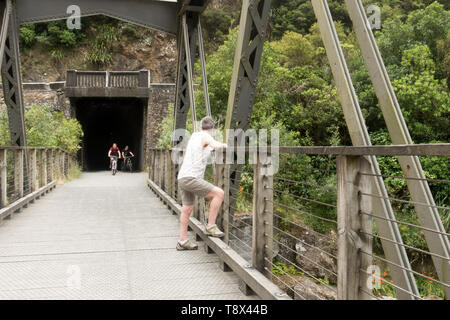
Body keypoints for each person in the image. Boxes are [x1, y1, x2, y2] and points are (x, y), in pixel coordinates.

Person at [176, 116, 227, 251]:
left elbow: (206, 147)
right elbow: (214, 144)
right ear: (213, 129)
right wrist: (224, 145)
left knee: (187, 209)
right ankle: (210, 226)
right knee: (219, 194)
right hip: (191, 178)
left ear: (200, 127)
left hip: (182, 177)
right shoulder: (206, 136)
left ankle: (182, 241)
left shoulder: (194, 135)